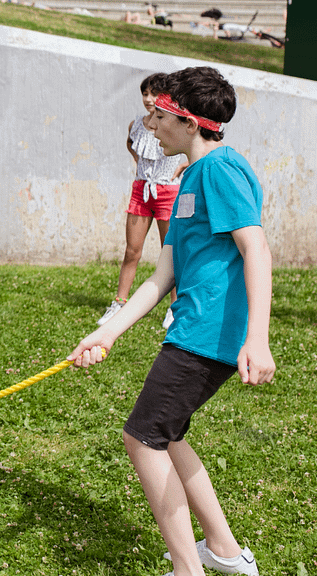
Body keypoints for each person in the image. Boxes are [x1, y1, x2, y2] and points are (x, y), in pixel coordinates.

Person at [69, 66, 274, 576]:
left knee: (143, 438)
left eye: (158, 114)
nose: (151, 124)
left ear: (187, 121)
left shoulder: (221, 170)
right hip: (192, 329)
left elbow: (258, 250)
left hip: (208, 336)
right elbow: (162, 276)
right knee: (169, 433)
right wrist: (108, 330)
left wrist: (259, 339)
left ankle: (188, 570)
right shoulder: (188, 179)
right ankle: (224, 551)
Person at [99, 73, 187, 327]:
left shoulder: (173, 124)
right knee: (132, 250)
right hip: (141, 190)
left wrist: (182, 165)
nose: (149, 99)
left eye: (155, 94)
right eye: (145, 93)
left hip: (168, 193)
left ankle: (174, 307)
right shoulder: (136, 124)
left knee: (170, 253)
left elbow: (192, 146)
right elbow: (131, 144)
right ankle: (119, 303)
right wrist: (141, 166)